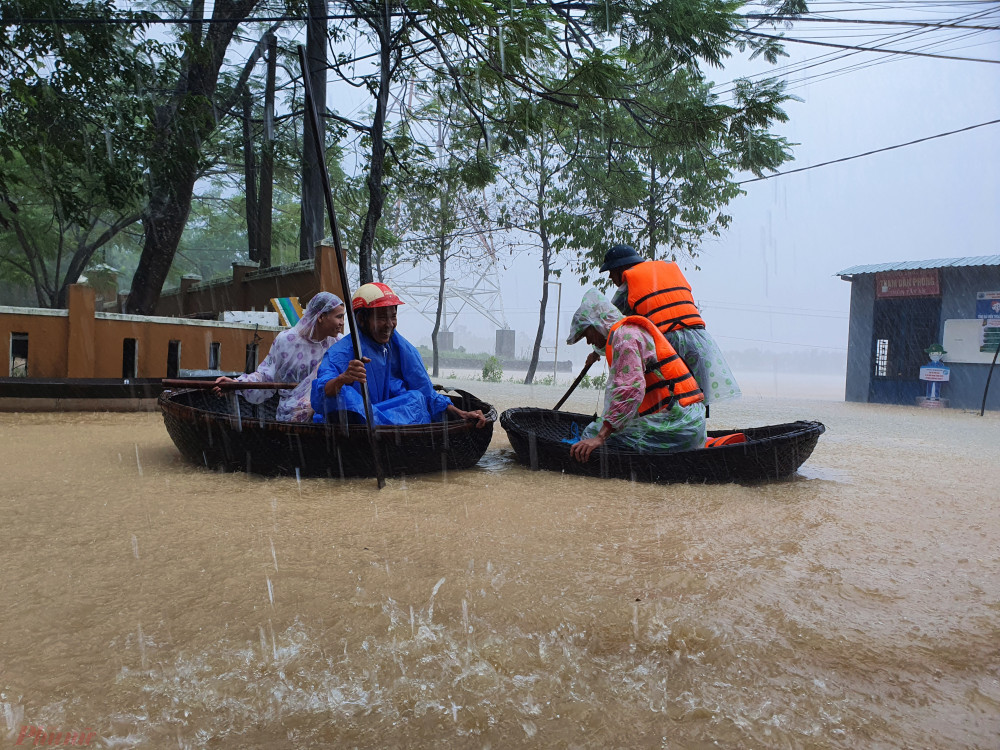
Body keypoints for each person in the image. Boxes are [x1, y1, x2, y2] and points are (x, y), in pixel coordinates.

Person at [310, 282, 488, 427]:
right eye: (381, 318)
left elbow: (424, 389)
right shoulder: (340, 353)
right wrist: (343, 379)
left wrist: (460, 413)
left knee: (415, 398)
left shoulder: (400, 346)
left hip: (387, 417)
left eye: (393, 317)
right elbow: (320, 394)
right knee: (345, 396)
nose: (389, 324)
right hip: (357, 422)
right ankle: (373, 427)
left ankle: (378, 426)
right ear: (361, 319)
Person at [566, 289, 706, 463]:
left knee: (591, 434)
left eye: (587, 334)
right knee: (601, 430)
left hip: (680, 426)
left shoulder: (626, 338)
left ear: (598, 325)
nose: (588, 341)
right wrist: (595, 353)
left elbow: (630, 390)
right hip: (689, 423)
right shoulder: (626, 333)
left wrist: (600, 437)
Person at [598, 243, 740, 405]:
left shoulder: (630, 283)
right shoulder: (665, 274)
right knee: (697, 399)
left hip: (669, 345)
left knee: (667, 404)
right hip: (701, 343)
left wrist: (597, 351)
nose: (610, 277)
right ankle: (699, 429)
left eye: (611, 272)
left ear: (621, 268)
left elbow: (610, 325)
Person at [213, 291, 346, 422]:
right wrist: (237, 384)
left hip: (326, 421)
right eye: (339, 317)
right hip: (290, 420)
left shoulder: (338, 345)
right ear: (321, 317)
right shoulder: (287, 341)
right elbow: (266, 377)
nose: (342, 322)